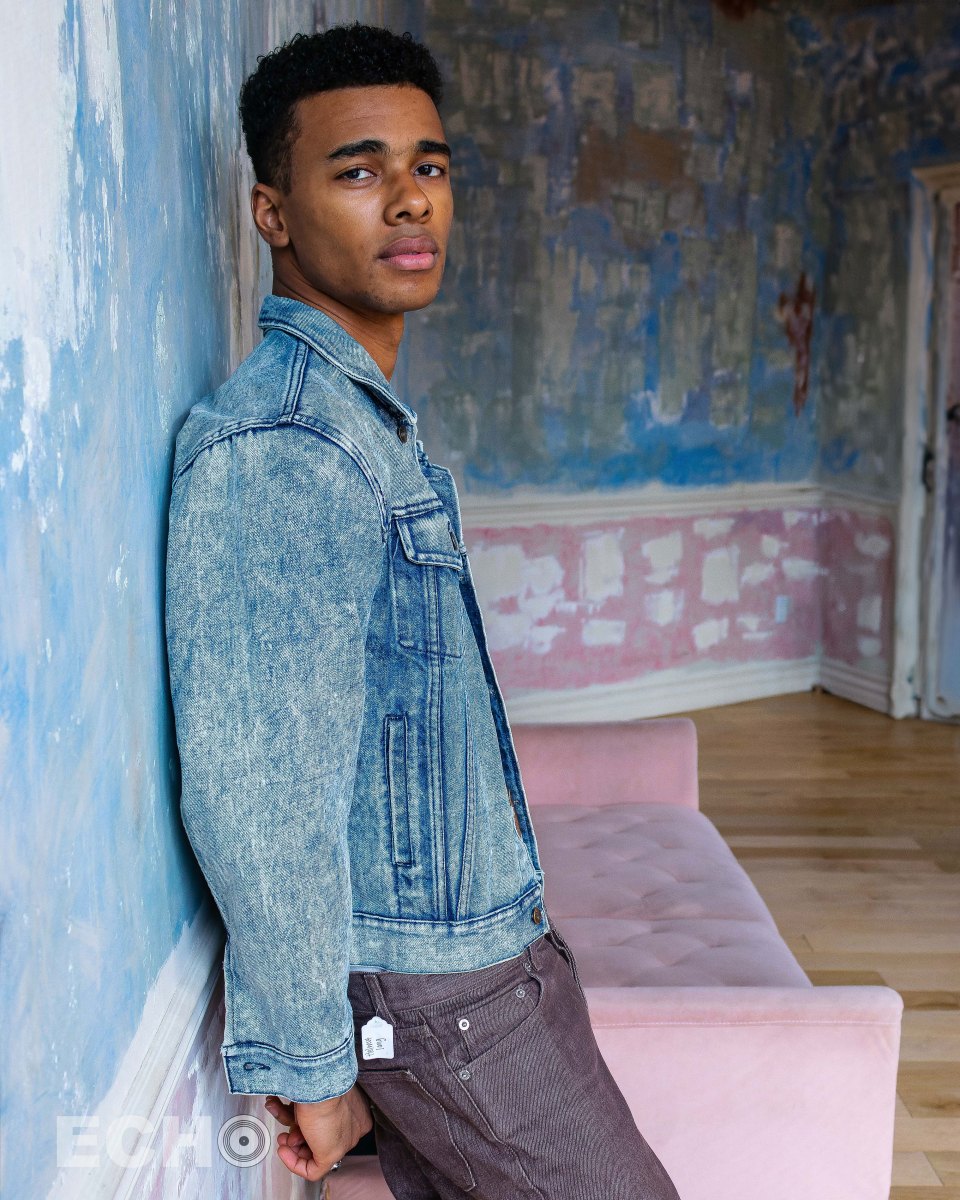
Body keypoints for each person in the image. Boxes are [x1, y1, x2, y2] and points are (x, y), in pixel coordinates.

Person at [164, 22, 681, 1200]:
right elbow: (260, 796)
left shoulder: (356, 420)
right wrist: (314, 1062)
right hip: (442, 999)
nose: (409, 200)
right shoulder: (287, 443)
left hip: (479, 964)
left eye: (429, 165)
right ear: (272, 213)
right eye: (358, 171)